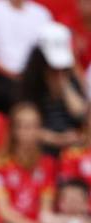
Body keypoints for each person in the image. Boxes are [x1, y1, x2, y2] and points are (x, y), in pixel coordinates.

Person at [19, 22, 88, 157]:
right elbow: (23, 124)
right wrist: (57, 139)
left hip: (72, 150)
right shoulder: (30, 83)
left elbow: (81, 114)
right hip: (41, 149)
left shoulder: (68, 78)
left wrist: (64, 83)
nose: (56, 69)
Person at [0, 102, 56, 223]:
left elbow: (45, 211)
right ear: (13, 130)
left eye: (36, 126)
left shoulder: (47, 164)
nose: (31, 132)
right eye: (25, 127)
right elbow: (3, 211)